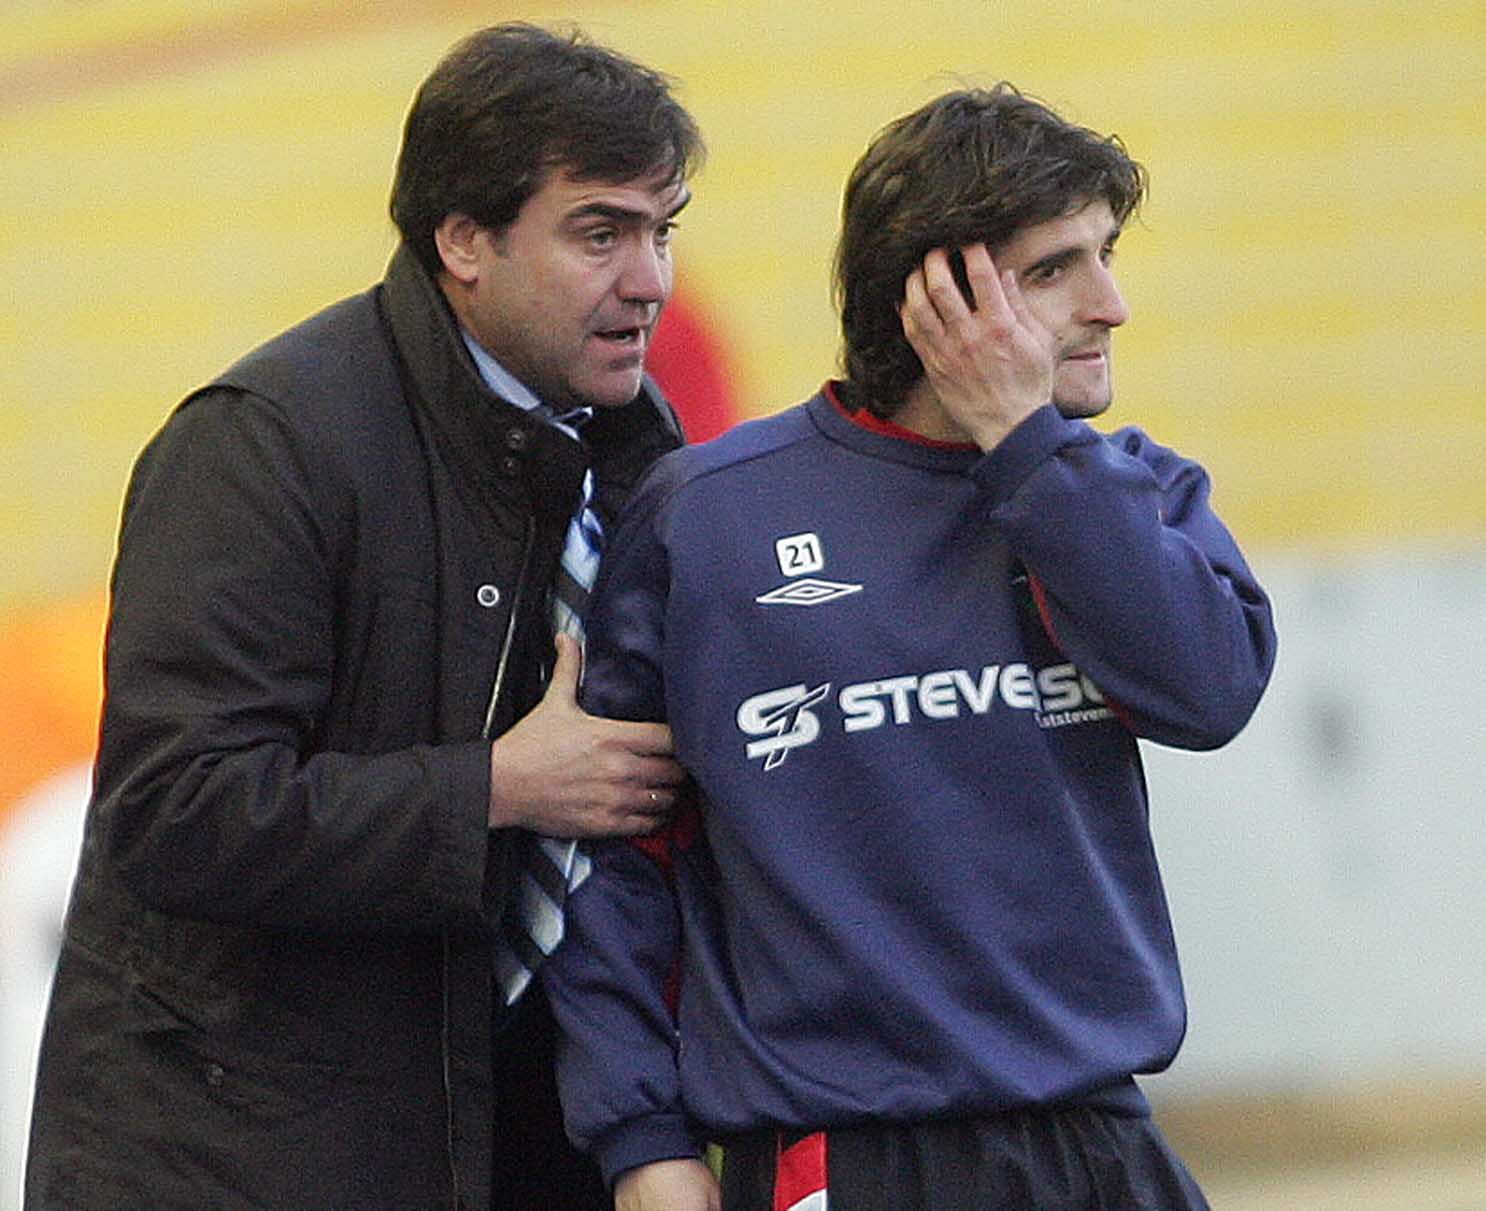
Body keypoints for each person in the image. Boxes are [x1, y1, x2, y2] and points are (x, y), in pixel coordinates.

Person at [542, 85, 1278, 1210]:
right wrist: (641, 1138)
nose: (1111, 303)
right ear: (932, 300)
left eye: (1106, 254)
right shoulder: (709, 518)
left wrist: (1028, 449)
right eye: (1054, 270)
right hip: (843, 1154)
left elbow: (1209, 690)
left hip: (1098, 1141)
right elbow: (614, 863)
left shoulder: (1124, 494)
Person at [25, 22, 701, 1210]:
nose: (647, 279)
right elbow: (177, 809)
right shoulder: (262, 444)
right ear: (463, 241)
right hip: (245, 1156)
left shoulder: (643, 457)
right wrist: (492, 785)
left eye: (662, 231)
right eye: (600, 232)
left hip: (527, 1129)